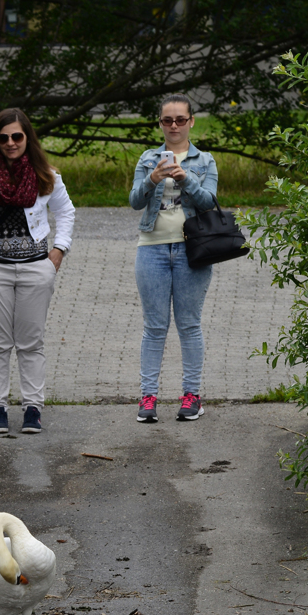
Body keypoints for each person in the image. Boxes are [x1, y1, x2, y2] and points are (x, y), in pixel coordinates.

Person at [0, 108, 75, 434]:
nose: (11, 143)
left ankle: (33, 408)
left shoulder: (45, 175)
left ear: (27, 138)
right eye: (4, 137)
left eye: (17, 137)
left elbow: (66, 212)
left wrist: (59, 250)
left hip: (36, 268)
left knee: (31, 342)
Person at [129, 94, 218, 423]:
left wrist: (184, 177)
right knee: (154, 327)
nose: (174, 125)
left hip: (192, 249)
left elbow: (209, 202)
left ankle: (191, 396)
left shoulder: (205, 160)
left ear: (191, 121)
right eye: (168, 120)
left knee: (189, 325)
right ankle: (148, 397)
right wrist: (153, 178)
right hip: (151, 247)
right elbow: (134, 201)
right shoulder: (148, 158)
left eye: (181, 119)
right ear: (161, 124)